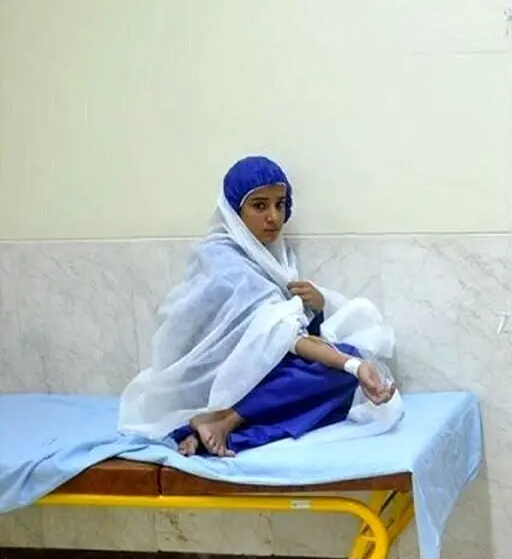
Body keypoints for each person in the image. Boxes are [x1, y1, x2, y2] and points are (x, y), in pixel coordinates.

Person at [118, 156, 399, 457]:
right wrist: (353, 364)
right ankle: (225, 420)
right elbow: (286, 339)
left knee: (338, 375)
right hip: (213, 378)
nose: (274, 217)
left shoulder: (272, 258)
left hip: (255, 372)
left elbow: (285, 335)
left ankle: (211, 430)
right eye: (260, 205)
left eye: (280, 204)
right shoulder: (224, 262)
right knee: (341, 367)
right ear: (234, 212)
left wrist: (318, 307)